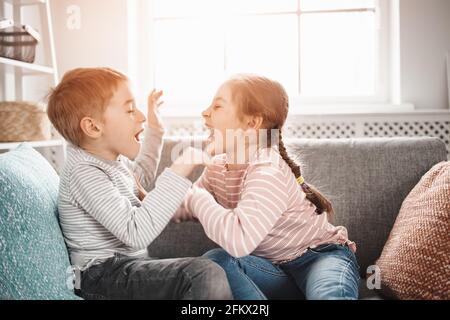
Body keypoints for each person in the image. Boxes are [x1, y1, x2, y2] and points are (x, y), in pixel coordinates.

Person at [46, 67, 232, 300]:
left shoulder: (110, 160)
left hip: (125, 269)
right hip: (97, 276)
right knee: (201, 274)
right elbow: (135, 232)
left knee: (212, 266)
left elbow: (140, 177)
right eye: (130, 110)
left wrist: (155, 130)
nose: (141, 116)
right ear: (93, 127)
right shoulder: (84, 172)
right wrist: (181, 168)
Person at [173, 74, 360, 300]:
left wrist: (196, 197)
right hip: (271, 272)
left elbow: (238, 240)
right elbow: (180, 208)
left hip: (319, 258)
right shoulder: (217, 169)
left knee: (329, 296)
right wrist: (142, 198)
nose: (205, 112)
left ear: (251, 124)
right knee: (217, 263)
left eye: (218, 106)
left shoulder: (267, 170)